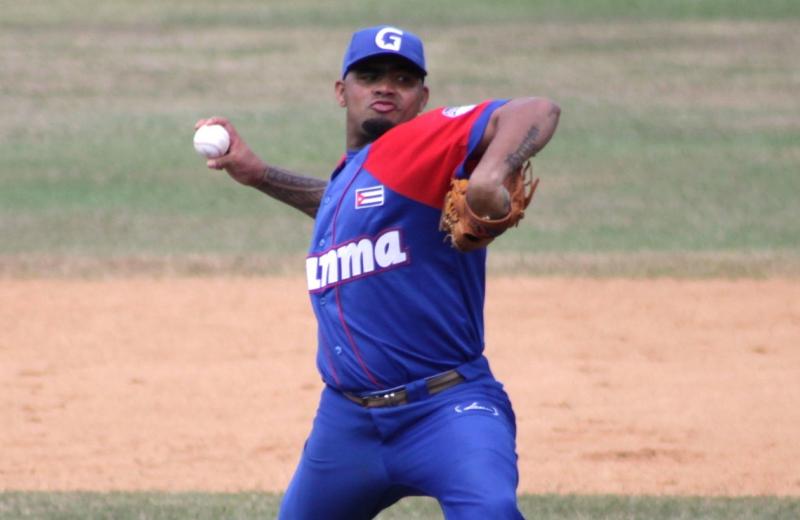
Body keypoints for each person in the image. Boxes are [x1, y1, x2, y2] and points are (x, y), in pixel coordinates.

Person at [196, 24, 560, 520]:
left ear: (423, 97)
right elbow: (342, 211)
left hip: (446, 410)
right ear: (342, 92)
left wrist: (491, 174)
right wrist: (260, 174)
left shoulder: (424, 143)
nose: (386, 86)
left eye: (403, 79)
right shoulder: (356, 173)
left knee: (491, 511)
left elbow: (536, 111)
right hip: (347, 426)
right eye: (369, 76)